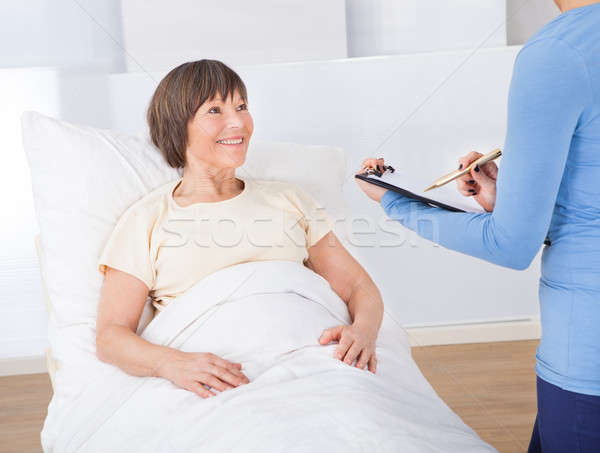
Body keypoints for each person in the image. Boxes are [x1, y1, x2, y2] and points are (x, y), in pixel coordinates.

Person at [357, 1, 599, 451]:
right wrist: (513, 201)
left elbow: (510, 245)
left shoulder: (560, 52)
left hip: (588, 361)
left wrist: (395, 202)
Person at [96, 60, 384, 400]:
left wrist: (363, 331)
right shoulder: (147, 219)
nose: (238, 122)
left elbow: (358, 286)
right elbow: (111, 336)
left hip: (315, 363)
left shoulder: (289, 199)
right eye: (215, 110)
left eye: (242, 106)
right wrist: (170, 364)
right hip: (219, 381)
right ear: (178, 127)